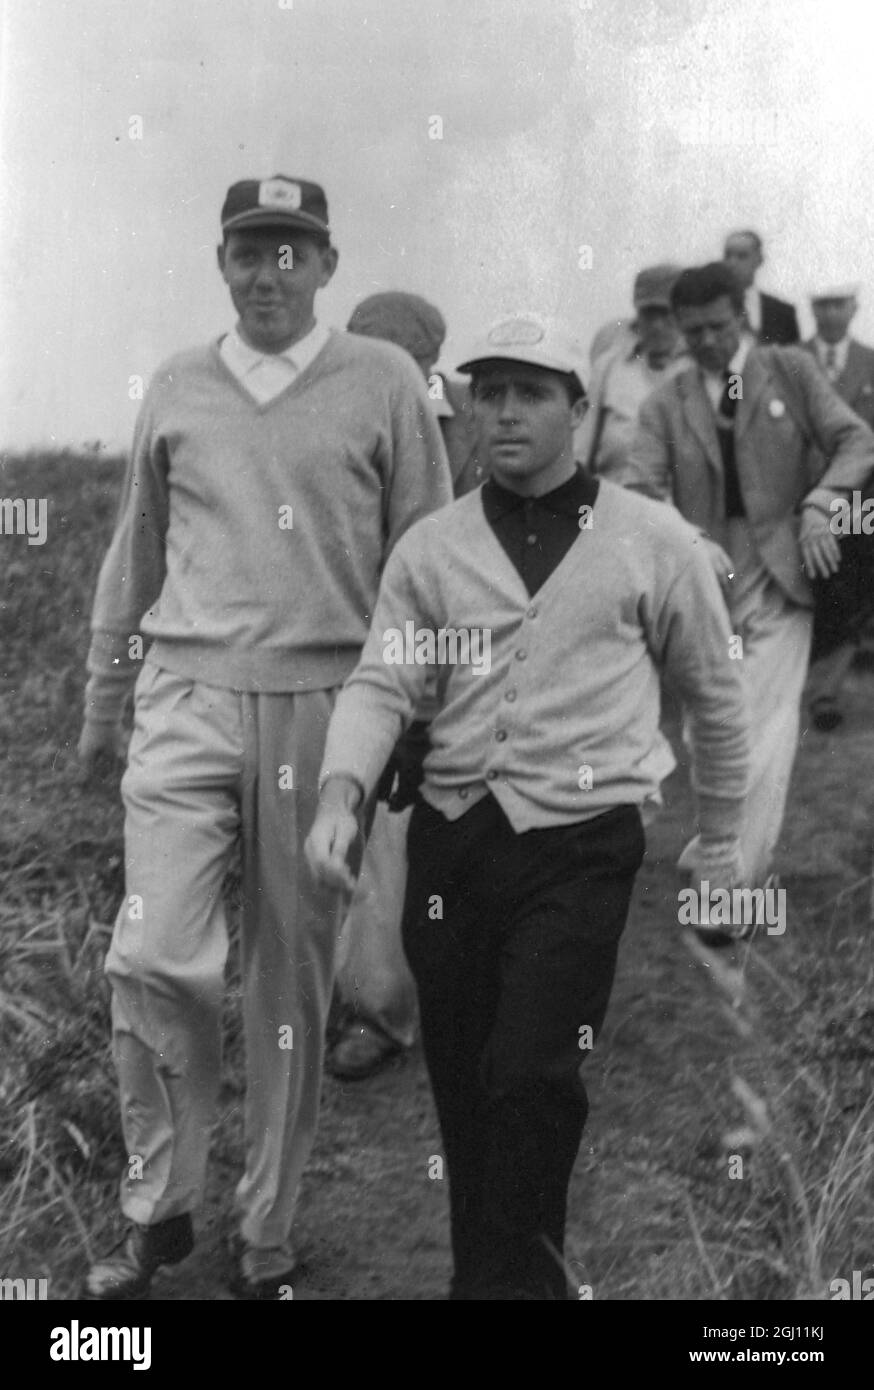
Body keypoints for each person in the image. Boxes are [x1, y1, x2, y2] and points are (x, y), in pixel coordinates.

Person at [304, 311, 749, 1299]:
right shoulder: (432, 549)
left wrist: (720, 840)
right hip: (454, 845)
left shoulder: (650, 540)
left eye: (529, 393)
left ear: (577, 410)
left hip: (582, 844)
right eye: (487, 392)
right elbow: (383, 683)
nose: (502, 412)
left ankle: (522, 1283)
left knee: (534, 1072)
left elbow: (716, 697)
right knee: (467, 1090)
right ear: (464, 406)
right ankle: (498, 1283)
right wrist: (341, 794)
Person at [77, 175, 452, 1299]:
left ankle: (268, 1234)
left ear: (327, 265)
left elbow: (423, 566)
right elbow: (133, 552)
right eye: (249, 252)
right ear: (222, 262)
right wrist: (103, 699)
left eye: (292, 252)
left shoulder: (383, 382)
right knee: (153, 957)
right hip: (185, 696)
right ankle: (160, 1204)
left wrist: (417, 716)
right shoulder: (181, 387)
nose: (269, 273)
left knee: (288, 991)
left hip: (323, 704)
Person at [628, 262, 874, 892]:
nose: (706, 342)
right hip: (703, 577)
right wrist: (687, 541)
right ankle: (724, 850)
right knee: (708, 724)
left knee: (762, 717)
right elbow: (642, 488)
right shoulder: (665, 403)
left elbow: (856, 441)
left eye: (716, 326)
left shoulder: (789, 371)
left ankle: (731, 877)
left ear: (740, 313)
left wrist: (822, 503)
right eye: (692, 331)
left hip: (782, 571)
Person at [330, 290, 472, 1081]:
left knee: (403, 842)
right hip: (335, 655)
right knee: (340, 830)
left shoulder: (474, 426)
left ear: (427, 367)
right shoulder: (326, 419)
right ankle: (342, 1001)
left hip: (442, 662)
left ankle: (385, 1013)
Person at [803, 283, 874, 729]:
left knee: (853, 587)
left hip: (860, 500)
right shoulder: (791, 359)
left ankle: (826, 692)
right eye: (821, 305)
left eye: (838, 305)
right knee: (814, 584)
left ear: (854, 307)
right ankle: (809, 685)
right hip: (804, 496)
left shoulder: (871, 362)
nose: (830, 314)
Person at [576, 264, 688, 484]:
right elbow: (581, 448)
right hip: (614, 496)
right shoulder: (609, 366)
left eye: (666, 314)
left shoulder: (695, 368)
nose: (656, 326)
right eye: (648, 314)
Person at [723, 229, 799, 345]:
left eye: (742, 256)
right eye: (728, 256)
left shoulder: (783, 312)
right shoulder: (713, 308)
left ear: (759, 260)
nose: (732, 263)